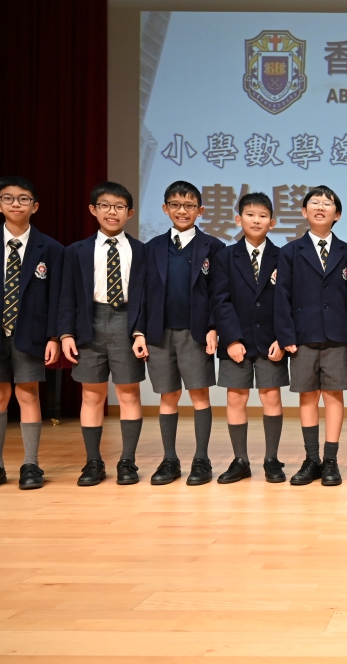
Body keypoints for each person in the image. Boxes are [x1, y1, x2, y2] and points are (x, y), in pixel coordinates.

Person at [0, 176, 64, 491]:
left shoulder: (51, 248)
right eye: (8, 198)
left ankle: (31, 464)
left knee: (27, 393)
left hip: (32, 333)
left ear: (35, 206)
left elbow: (57, 297)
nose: (16, 204)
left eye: (23, 199)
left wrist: (53, 337)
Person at [58, 182, 148, 487]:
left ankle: (128, 461)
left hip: (127, 322)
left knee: (128, 393)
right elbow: (66, 295)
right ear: (93, 210)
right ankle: (93, 462)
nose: (112, 212)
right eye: (105, 206)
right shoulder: (76, 251)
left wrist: (140, 331)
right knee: (91, 394)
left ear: (130, 213)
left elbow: (147, 296)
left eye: (119, 207)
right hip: (89, 323)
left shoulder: (142, 251)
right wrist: (66, 334)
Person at [275, 186, 347, 487]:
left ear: (337, 214)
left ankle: (330, 460)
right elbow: (282, 297)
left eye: (328, 203)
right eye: (315, 202)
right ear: (304, 211)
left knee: (334, 395)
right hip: (302, 336)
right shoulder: (289, 252)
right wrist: (286, 335)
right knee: (308, 395)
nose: (321, 207)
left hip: (337, 335)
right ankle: (311, 459)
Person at [138, 181, 225, 485]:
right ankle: (169, 460)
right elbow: (142, 293)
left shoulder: (214, 247)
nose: (182, 211)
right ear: (165, 209)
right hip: (159, 333)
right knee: (168, 395)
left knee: (199, 394)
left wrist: (214, 327)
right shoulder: (152, 247)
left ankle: (201, 460)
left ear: (200, 210)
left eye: (189, 206)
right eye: (175, 205)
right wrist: (138, 332)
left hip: (196, 332)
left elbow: (218, 293)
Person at [211, 192, 290, 485]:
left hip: (271, 342)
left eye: (263, 216)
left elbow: (288, 300)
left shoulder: (283, 256)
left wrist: (282, 339)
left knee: (271, 396)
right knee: (236, 397)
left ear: (272, 222)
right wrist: (231, 339)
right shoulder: (225, 256)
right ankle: (240, 460)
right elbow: (220, 300)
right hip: (237, 342)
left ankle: (272, 459)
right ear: (238, 219)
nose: (256, 220)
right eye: (250, 215)